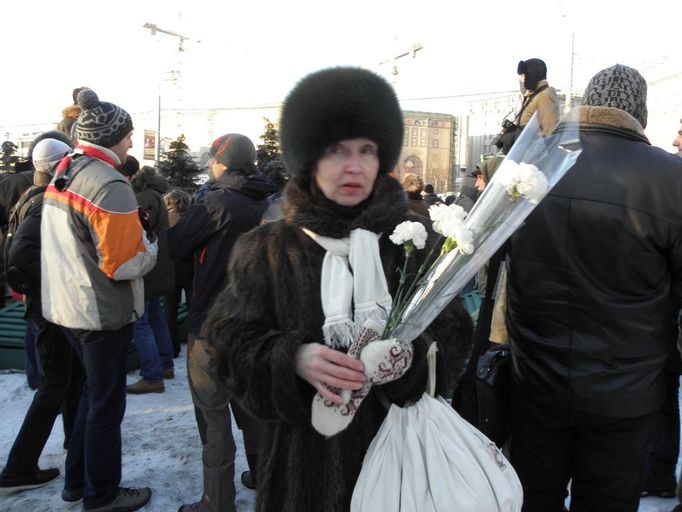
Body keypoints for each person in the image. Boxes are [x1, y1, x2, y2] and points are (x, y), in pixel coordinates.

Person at [204, 66, 473, 512]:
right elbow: (226, 346)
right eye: (336, 151)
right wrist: (290, 358)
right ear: (309, 158)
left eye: (366, 150)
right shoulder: (266, 250)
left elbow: (455, 339)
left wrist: (408, 360)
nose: (353, 166)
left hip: (404, 471)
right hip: (302, 477)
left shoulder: (412, 241)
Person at [505, 64, 682, 511]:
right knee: (606, 502)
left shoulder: (535, 163)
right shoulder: (671, 178)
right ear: (639, 111)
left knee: (533, 497)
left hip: (535, 379)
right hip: (626, 390)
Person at [41, 89, 157, 511]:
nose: (130, 142)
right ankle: (101, 495)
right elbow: (124, 263)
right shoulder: (109, 183)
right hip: (100, 313)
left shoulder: (68, 169)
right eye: (127, 135)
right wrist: (152, 245)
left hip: (68, 307)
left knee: (91, 398)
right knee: (105, 408)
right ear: (111, 137)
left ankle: (77, 484)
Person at [168, 133, 276, 511]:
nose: (209, 167)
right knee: (253, 411)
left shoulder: (215, 202)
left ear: (224, 163)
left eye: (213, 160)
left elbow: (176, 245)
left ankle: (217, 500)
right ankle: (267, 481)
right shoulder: (269, 202)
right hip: (255, 327)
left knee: (213, 419)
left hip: (212, 327)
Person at [0, 136, 83, 495]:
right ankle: (18, 468)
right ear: (60, 164)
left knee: (71, 377)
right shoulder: (45, 200)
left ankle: (75, 443)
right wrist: (54, 286)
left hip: (45, 304)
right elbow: (19, 257)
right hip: (50, 307)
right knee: (54, 384)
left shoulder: (30, 196)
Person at [118, 156, 176, 394]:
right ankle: (165, 364)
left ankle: (152, 375)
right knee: (155, 317)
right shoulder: (155, 194)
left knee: (140, 323)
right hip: (158, 267)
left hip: (146, 270)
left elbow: (137, 231)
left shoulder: (142, 197)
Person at [496, 58, 560, 154]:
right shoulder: (532, 96)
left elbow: (550, 134)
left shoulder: (544, 97)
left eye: (522, 75)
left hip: (531, 161)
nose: (519, 79)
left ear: (531, 75)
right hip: (522, 157)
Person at [163, 188, 194, 357]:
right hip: (190, 269)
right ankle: (193, 348)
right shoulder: (192, 219)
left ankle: (172, 348)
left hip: (169, 271)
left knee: (169, 312)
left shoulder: (164, 219)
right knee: (193, 310)